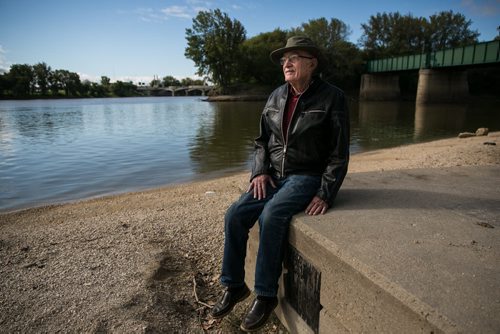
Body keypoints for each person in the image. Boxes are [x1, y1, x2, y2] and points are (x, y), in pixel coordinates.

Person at [211, 36, 350, 332]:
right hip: (273, 174)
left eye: (294, 57)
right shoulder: (275, 96)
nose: (286, 63)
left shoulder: (332, 97)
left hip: (307, 175)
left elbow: (339, 153)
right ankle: (234, 285)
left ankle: (265, 294)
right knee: (234, 215)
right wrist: (259, 172)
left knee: (272, 214)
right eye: (283, 59)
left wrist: (326, 192)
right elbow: (262, 141)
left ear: (312, 63)